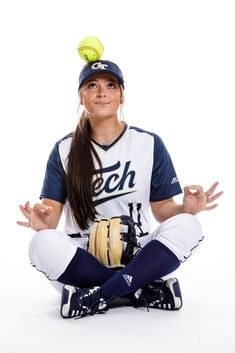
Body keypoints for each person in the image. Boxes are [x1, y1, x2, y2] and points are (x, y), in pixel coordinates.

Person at [17, 59, 223, 319]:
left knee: (189, 225)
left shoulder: (148, 143)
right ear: (80, 97)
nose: (102, 92)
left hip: (139, 255)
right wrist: (43, 221)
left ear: (122, 95)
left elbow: (161, 210)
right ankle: (140, 290)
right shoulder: (64, 148)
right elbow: (52, 216)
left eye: (111, 85)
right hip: (84, 260)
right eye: (92, 85)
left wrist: (186, 209)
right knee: (40, 242)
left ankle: (99, 296)